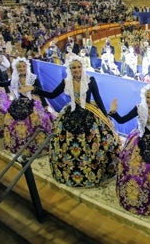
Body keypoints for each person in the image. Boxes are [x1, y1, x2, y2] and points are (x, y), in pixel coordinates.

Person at [28, 55, 121, 187]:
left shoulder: (90, 80)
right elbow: (52, 95)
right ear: (70, 69)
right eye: (73, 68)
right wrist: (35, 89)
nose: (77, 70)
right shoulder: (66, 82)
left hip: (89, 113)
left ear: (82, 67)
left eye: (79, 67)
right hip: (71, 113)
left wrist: (105, 116)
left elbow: (98, 99)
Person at [109, 84, 150, 216]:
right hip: (140, 140)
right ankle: (138, 198)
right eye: (148, 97)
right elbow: (122, 120)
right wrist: (114, 112)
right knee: (137, 169)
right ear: (144, 98)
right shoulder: (139, 108)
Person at [4, 57, 55, 155]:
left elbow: (41, 92)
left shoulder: (33, 78)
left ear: (27, 67)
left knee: (38, 121)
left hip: (33, 102)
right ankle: (20, 147)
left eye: (24, 66)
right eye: (20, 67)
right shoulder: (14, 79)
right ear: (16, 68)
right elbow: (4, 83)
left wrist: (45, 105)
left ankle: (37, 148)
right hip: (18, 103)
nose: (22, 68)